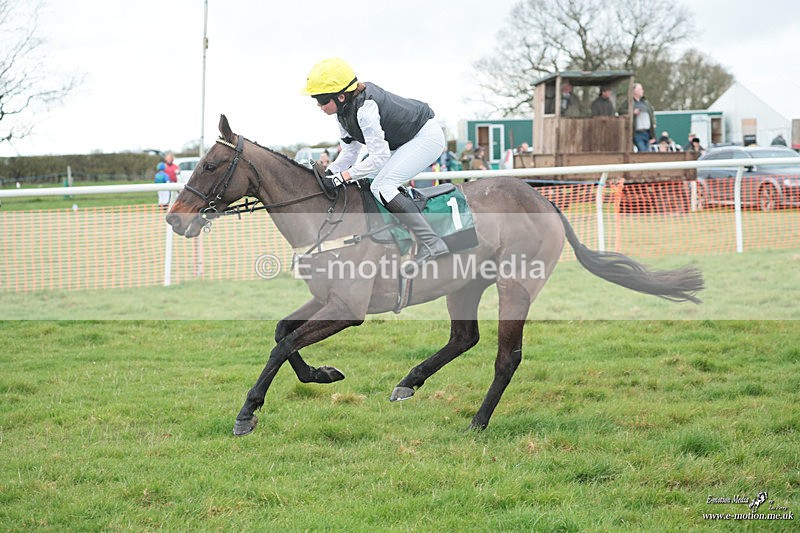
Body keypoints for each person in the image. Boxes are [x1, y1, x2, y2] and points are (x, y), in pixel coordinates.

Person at [302, 57, 448, 275]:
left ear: (341, 96)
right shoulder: (343, 112)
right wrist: (329, 173)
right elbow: (350, 152)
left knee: (383, 186)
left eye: (322, 100)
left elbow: (378, 157)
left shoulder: (365, 110)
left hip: (425, 137)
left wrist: (342, 177)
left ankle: (432, 242)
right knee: (367, 181)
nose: (318, 106)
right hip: (401, 141)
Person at [631, 83, 656, 152]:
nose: (642, 91)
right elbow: (621, 111)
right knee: (643, 151)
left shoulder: (646, 103)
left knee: (647, 151)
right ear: (634, 91)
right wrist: (632, 112)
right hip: (637, 132)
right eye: (640, 89)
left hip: (647, 132)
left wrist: (653, 123)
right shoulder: (630, 102)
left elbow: (651, 113)